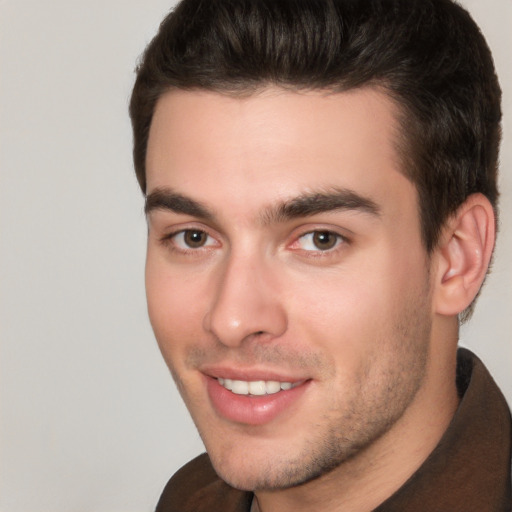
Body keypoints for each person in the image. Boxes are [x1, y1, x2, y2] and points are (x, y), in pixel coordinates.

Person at [129, 0, 511, 510]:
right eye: (193, 237)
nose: (233, 319)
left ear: (457, 258)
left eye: (320, 240)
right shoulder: (189, 500)